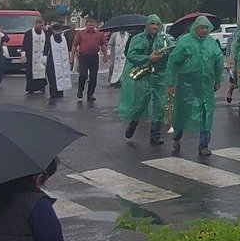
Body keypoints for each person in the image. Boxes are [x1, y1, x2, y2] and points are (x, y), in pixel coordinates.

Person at [164, 15, 226, 157]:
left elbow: (218, 62)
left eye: (206, 28)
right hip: (186, 86)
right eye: (201, 27)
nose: (204, 30)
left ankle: (204, 145)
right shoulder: (185, 42)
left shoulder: (212, 43)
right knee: (183, 113)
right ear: (195, 28)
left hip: (206, 86)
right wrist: (170, 83)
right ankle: (176, 137)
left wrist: (218, 80)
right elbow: (173, 62)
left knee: (206, 113)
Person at [118, 14, 171, 145]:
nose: (155, 27)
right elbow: (131, 55)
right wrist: (148, 58)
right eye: (152, 24)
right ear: (147, 25)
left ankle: (155, 134)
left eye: (157, 24)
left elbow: (171, 52)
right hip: (143, 76)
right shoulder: (138, 39)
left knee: (159, 105)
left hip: (159, 76)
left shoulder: (163, 39)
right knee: (140, 103)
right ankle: (133, 123)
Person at [71, 18, 107, 104]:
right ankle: (80, 91)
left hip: (94, 57)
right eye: (89, 25)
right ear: (86, 25)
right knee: (83, 74)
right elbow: (74, 45)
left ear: (95, 25)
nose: (91, 27)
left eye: (92, 25)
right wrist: (71, 57)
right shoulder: (80, 33)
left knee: (93, 76)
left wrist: (105, 55)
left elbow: (103, 45)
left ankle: (90, 94)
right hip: (83, 57)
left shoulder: (99, 34)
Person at [44, 23, 72, 105]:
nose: (57, 33)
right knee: (52, 78)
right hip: (52, 61)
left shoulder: (64, 38)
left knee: (61, 76)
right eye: (55, 31)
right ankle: (53, 94)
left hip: (62, 62)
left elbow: (68, 48)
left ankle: (60, 93)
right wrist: (44, 57)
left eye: (58, 31)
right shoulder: (50, 38)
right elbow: (46, 48)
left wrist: (69, 58)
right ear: (53, 31)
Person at [23, 24, 48, 96]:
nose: (41, 27)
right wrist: (23, 54)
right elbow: (25, 44)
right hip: (31, 56)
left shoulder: (45, 33)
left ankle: (41, 87)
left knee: (42, 72)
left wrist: (46, 55)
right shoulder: (29, 33)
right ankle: (31, 89)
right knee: (30, 73)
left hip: (42, 56)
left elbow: (47, 44)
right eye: (39, 25)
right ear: (36, 25)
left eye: (42, 25)